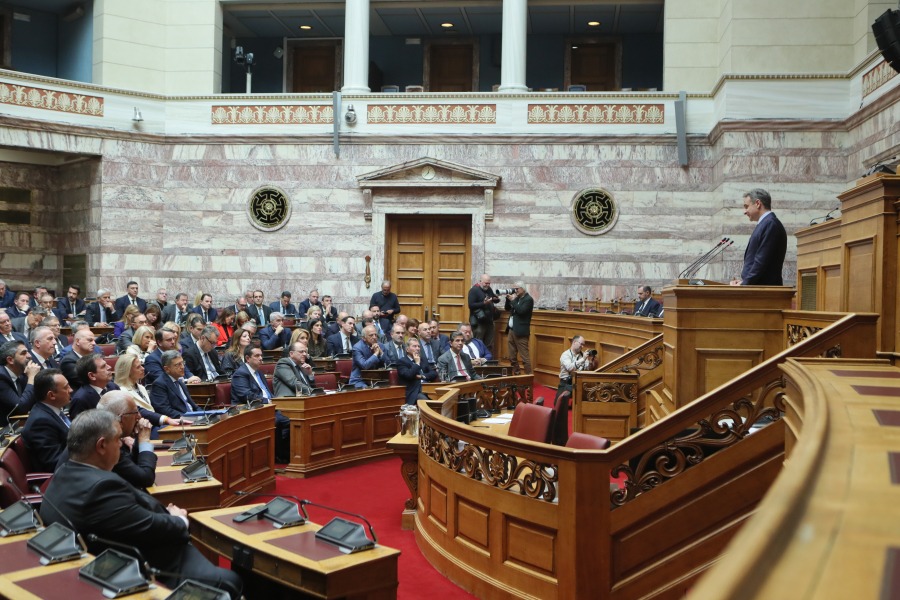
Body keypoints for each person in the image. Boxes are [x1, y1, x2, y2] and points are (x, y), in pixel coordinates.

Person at [40, 410, 243, 599]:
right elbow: (149, 526)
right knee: (230, 580)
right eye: (118, 439)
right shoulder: (101, 488)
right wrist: (179, 519)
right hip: (151, 568)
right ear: (101, 446)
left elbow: (128, 518)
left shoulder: (65, 471)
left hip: (119, 556)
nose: (121, 445)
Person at [231, 346, 290, 462]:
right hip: (251, 411)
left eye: (261, 355)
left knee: (292, 418)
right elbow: (246, 395)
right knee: (279, 421)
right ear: (248, 358)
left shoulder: (259, 373)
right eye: (257, 356)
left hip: (268, 407)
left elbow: (267, 392)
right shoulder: (240, 374)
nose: (261, 358)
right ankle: (277, 456)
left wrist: (276, 401)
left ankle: (286, 453)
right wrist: (267, 401)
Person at [96, 391, 158, 490]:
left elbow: (133, 464)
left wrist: (139, 437)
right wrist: (144, 440)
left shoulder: (106, 432)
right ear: (121, 418)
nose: (139, 416)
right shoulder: (108, 444)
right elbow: (145, 479)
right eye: (135, 412)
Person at [731, 188, 788, 286]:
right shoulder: (766, 223)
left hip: (764, 290)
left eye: (746, 206)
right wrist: (743, 282)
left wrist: (744, 284)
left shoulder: (771, 224)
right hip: (758, 288)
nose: (745, 211)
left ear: (758, 203)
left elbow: (761, 261)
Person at [114, 352, 187, 429]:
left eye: (141, 365)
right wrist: (166, 419)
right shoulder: (122, 392)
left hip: (153, 425)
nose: (143, 368)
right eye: (138, 367)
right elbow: (140, 412)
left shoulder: (141, 388)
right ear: (128, 371)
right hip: (140, 429)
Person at [22, 368, 72, 471]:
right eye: (66, 387)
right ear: (51, 395)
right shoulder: (40, 422)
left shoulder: (52, 410)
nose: (71, 390)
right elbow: (55, 463)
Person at [149, 350, 200, 418]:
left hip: (193, 417)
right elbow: (164, 410)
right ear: (167, 369)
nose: (182, 367)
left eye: (182, 363)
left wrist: (204, 414)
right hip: (180, 420)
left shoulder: (180, 382)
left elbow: (194, 406)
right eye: (178, 365)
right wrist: (187, 417)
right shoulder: (159, 384)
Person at [0, 340, 40, 425]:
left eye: (28, 352)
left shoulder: (22, 375)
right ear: (10, 360)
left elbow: (35, 401)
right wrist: (32, 377)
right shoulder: (1, 377)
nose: (29, 356)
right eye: (23, 353)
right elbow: (20, 408)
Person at [69, 355, 119, 419]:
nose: (109, 367)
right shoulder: (80, 399)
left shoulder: (113, 386)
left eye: (106, 364)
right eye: (103, 366)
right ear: (92, 376)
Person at [396, 337, 437, 405]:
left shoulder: (423, 360)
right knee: (426, 402)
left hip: (428, 388)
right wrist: (417, 363)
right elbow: (409, 375)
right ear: (407, 349)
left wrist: (422, 376)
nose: (417, 348)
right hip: (414, 392)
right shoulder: (402, 362)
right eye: (414, 346)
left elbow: (433, 373)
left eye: (418, 346)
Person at [505, 281, 534, 375]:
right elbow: (507, 308)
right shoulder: (516, 298)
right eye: (514, 288)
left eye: (517, 289)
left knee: (525, 358)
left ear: (523, 288)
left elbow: (521, 311)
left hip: (521, 332)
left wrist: (513, 301)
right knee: (512, 357)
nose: (515, 290)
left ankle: (528, 378)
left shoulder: (528, 299)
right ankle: (517, 375)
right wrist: (508, 299)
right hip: (511, 331)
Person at [468, 274, 500, 348]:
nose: (487, 285)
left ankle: (488, 356)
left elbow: (493, 298)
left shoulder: (489, 289)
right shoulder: (474, 290)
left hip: (489, 321)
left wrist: (496, 299)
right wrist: (483, 303)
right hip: (479, 322)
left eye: (489, 283)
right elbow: (471, 305)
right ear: (480, 281)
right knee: (478, 344)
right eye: (486, 283)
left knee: (489, 345)